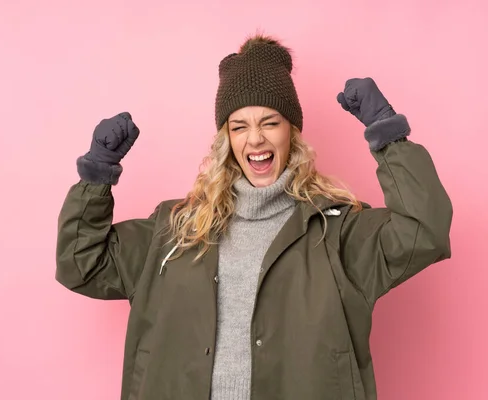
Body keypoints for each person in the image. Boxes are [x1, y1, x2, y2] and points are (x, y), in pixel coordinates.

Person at [56, 34, 452, 400]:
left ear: (291, 132)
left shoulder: (339, 233)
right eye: (239, 126)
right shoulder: (174, 229)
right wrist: (96, 176)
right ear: (226, 138)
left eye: (270, 122)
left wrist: (388, 135)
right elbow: (81, 265)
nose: (256, 139)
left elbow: (424, 230)